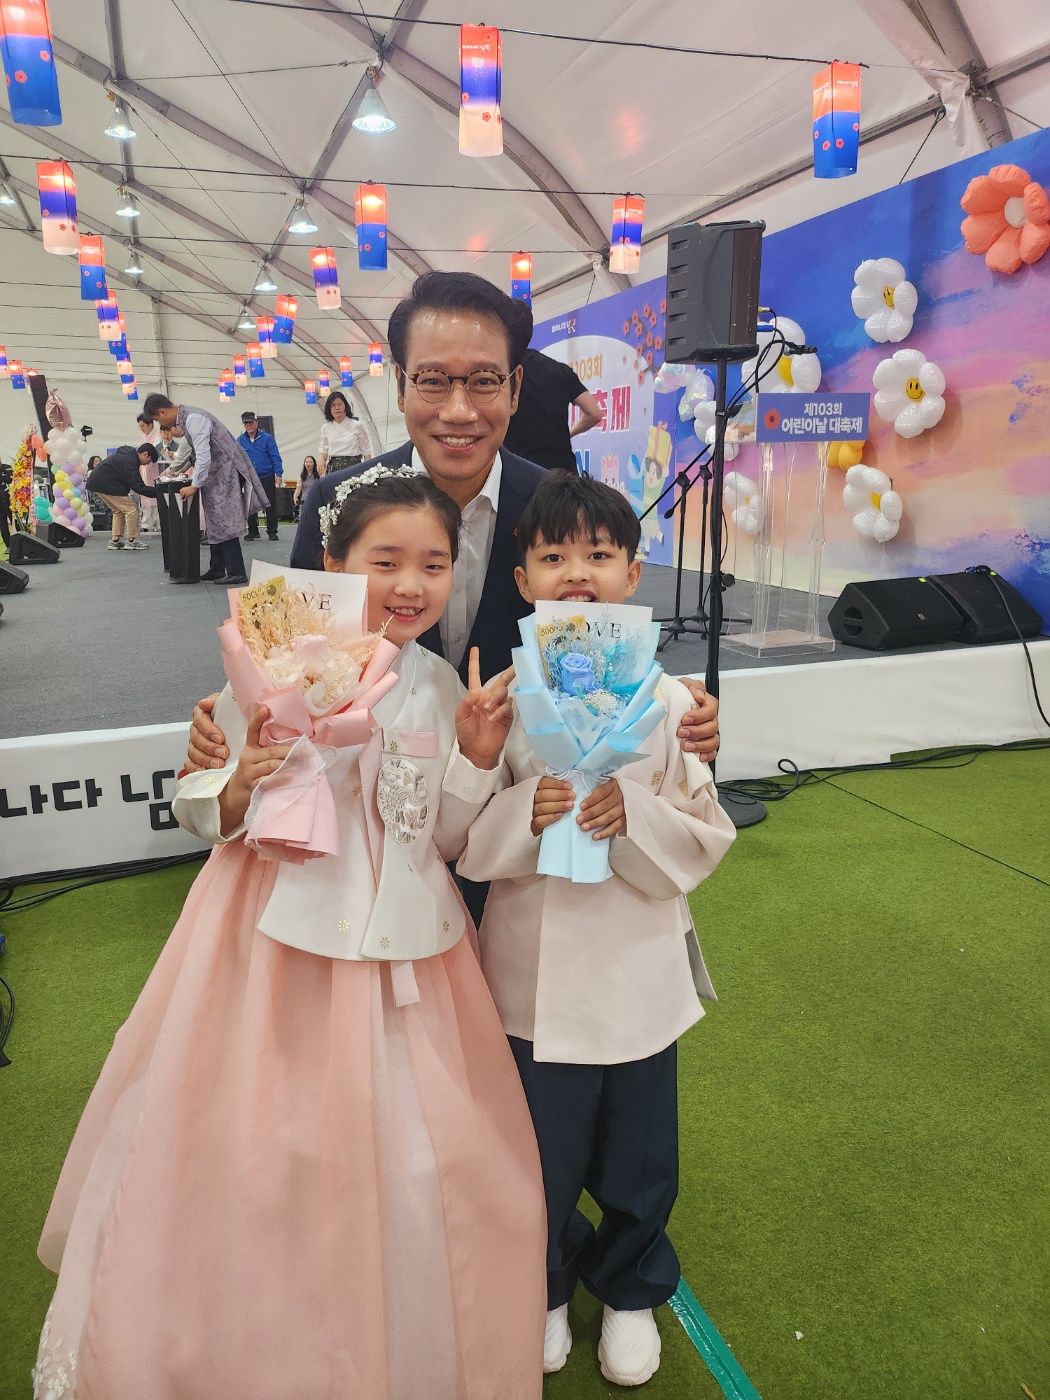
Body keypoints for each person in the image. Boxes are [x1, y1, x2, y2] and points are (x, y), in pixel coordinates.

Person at [31, 467, 547, 1400]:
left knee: (424, 1157)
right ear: (333, 563)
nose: (410, 584)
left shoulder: (441, 685)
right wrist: (235, 779)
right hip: (265, 947)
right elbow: (202, 811)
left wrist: (475, 759)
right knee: (258, 1151)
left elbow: (446, 843)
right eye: (385, 560)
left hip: (411, 958)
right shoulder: (273, 657)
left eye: (434, 564)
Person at [186, 272, 719, 787]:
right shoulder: (337, 502)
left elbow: (600, 638)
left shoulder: (557, 511)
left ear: (514, 389)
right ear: (401, 386)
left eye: (484, 381)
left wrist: (672, 706)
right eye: (433, 381)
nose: (459, 411)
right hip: (379, 795)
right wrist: (235, 713)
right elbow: (291, 653)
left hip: (528, 800)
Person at [455, 473, 737, 1386]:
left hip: (636, 969)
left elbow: (704, 833)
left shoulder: (674, 703)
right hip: (531, 974)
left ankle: (629, 1289)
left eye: (599, 554)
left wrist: (635, 815)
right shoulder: (502, 699)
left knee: (640, 1154)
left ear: (633, 573)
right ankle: (539, 1288)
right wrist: (521, 808)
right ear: (523, 581)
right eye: (554, 556)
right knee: (535, 1152)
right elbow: (462, 839)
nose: (577, 572)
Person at [140, 393, 268, 587]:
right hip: (216, 474)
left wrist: (194, 485)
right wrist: (180, 473)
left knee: (225, 519)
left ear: (162, 412)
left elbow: (203, 455)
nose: (161, 424)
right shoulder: (189, 418)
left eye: (158, 419)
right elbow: (193, 455)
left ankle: (236, 571)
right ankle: (217, 568)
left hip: (226, 471)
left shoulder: (194, 419)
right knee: (214, 519)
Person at [502, 303, 604, 473]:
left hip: (519, 473)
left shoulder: (502, 373)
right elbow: (594, 413)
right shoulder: (559, 370)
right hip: (562, 474)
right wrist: (569, 433)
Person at [86, 443, 160, 550]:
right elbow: (137, 486)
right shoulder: (130, 461)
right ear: (145, 454)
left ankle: (115, 540)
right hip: (106, 484)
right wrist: (157, 492)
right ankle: (132, 540)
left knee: (119, 510)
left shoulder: (126, 456)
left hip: (97, 482)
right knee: (131, 509)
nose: (147, 464)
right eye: (149, 460)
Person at [238, 410, 283, 542]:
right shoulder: (240, 441)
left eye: (251, 422)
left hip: (266, 475)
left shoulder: (267, 438)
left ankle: (272, 532)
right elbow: (237, 460)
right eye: (246, 423)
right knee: (249, 504)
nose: (249, 425)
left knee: (270, 504)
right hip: (249, 477)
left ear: (256, 422)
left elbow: (275, 456)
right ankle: (253, 531)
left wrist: (278, 473)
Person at [318, 390, 371, 474]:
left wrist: (369, 470)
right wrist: (321, 459)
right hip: (334, 469)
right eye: (333, 405)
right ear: (329, 409)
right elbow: (323, 450)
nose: (337, 408)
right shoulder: (325, 428)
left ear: (345, 406)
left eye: (339, 404)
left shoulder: (357, 425)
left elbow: (366, 451)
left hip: (354, 467)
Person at [293, 453, 320, 518]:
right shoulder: (301, 476)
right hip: (305, 498)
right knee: (303, 516)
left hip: (315, 498)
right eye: (306, 462)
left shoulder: (318, 475)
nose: (308, 464)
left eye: (310, 462)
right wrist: (295, 497)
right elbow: (298, 488)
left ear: (314, 464)